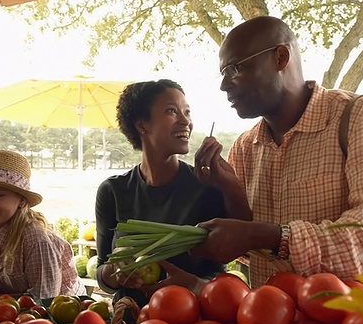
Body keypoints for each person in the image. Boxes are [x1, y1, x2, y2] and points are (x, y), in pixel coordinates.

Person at [191, 16, 363, 288]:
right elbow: (251, 251)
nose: (224, 85)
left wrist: (272, 236)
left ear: (281, 57)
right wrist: (231, 192)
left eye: (234, 68)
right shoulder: (244, 148)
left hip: (355, 323)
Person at [95, 79, 251, 309]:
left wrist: (195, 285)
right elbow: (102, 271)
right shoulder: (113, 191)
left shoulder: (207, 186)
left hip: (195, 322)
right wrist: (114, 272)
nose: (185, 121)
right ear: (141, 125)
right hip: (131, 323)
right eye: (172, 111)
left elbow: (241, 250)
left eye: (187, 112)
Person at [0, 149, 85, 299]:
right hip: (18, 312)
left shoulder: (36, 240)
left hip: (64, 314)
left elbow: (44, 301)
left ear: (22, 201)